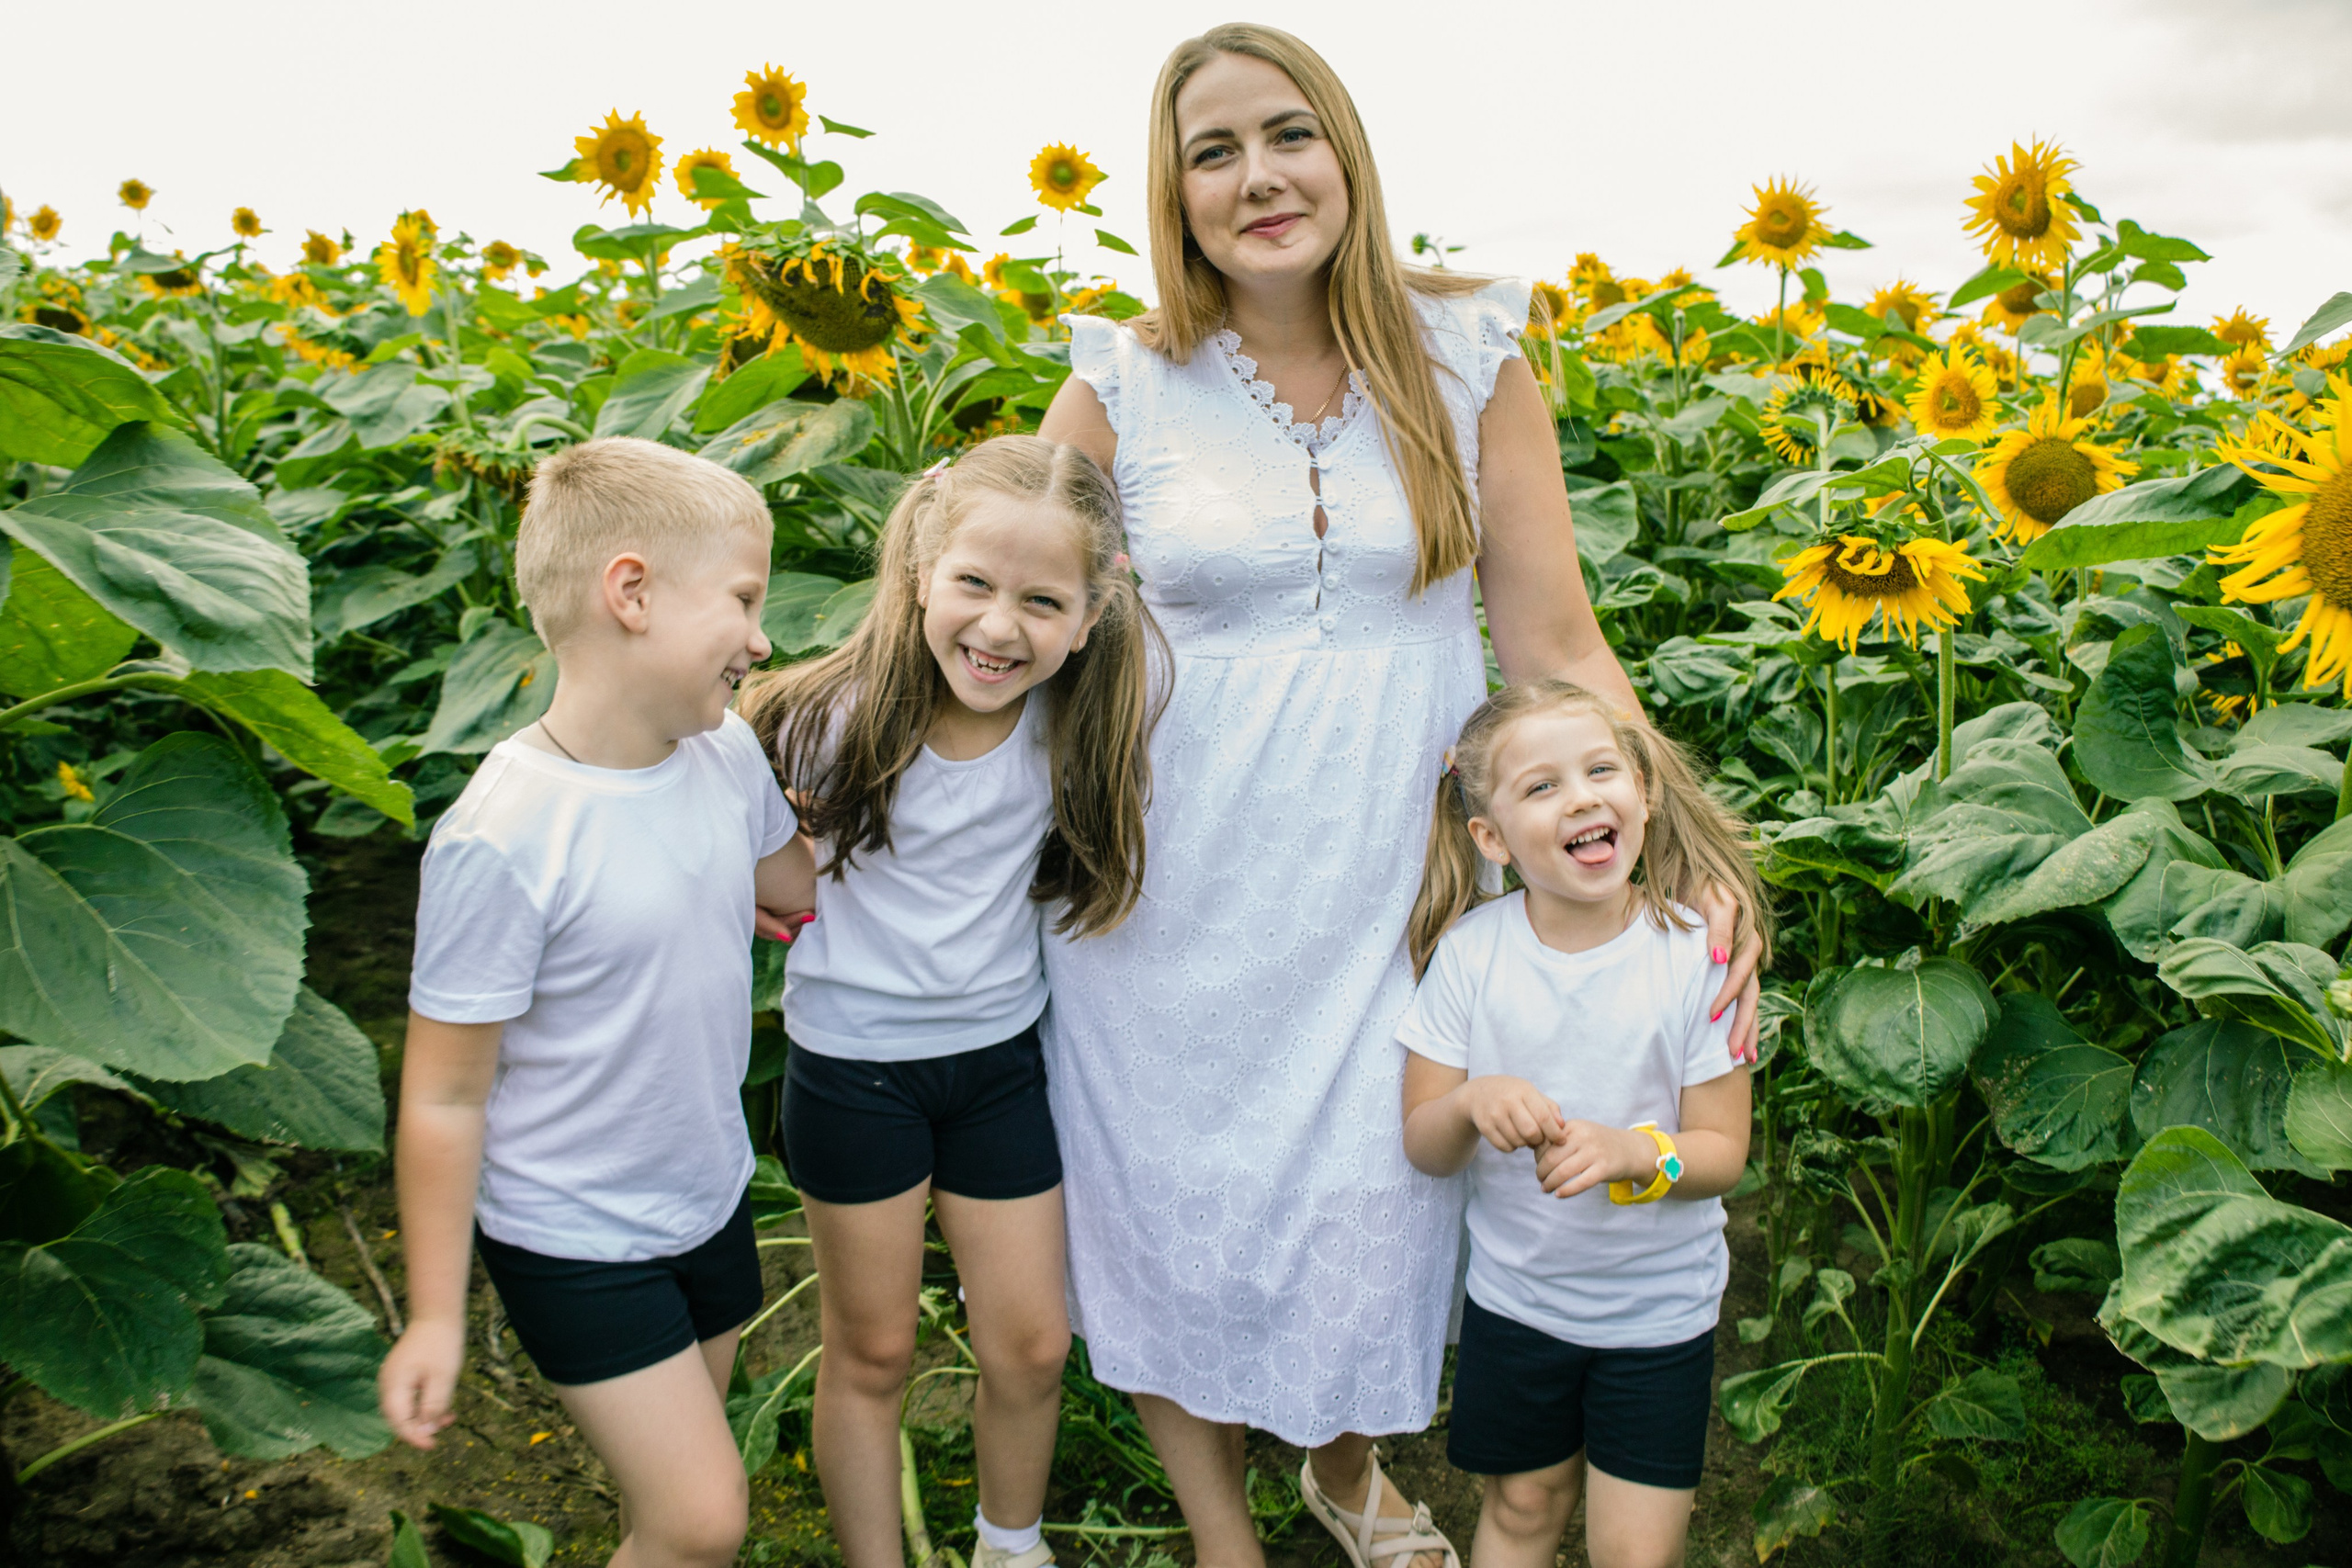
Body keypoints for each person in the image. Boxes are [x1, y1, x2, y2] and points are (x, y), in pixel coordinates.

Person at [1035, 24, 1765, 1568]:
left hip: (1403, 866)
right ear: (1174, 196)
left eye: (1287, 135)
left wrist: (1695, 858)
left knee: (1381, 1173)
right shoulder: (1123, 381)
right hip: (1174, 877)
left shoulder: (1468, 355)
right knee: (1174, 1184)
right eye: (1212, 152)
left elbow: (1555, 638)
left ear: (1347, 152)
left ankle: (1347, 1465)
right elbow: (1009, 616)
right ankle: (1220, 1524)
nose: (1259, 178)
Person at [379, 436, 815, 1568]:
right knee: (701, 1517)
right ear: (631, 593)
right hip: (572, 1233)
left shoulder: (721, 762)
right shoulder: (507, 833)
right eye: (742, 598)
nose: (763, 637)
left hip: (707, 1192)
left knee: (670, 1495)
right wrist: (434, 1316)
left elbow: (792, 885)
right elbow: (442, 1096)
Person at [735, 435, 1160, 1568]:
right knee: (870, 1350)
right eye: (973, 583)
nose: (999, 627)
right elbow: (694, 795)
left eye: (1041, 601)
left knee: (1028, 1343)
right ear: (921, 566)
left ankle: (1008, 1547)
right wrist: (752, 880)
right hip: (853, 1074)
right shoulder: (820, 718)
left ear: (1093, 609)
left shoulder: (1076, 728)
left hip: (996, 1069)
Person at [1399, 681, 1770, 1568]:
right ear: (1490, 837)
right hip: (1518, 1306)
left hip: (1659, 1317)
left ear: (1642, 791)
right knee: (1523, 1506)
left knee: (1634, 1551)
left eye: (1602, 769)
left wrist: (1638, 1154)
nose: (1582, 797)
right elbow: (1424, 1141)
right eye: (1541, 787)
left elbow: (1722, 1153)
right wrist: (1468, 1102)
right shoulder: (1471, 956)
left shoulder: (1694, 958)